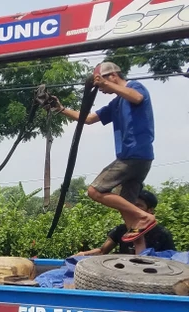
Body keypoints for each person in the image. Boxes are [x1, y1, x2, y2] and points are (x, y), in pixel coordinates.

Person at [53, 61, 156, 243]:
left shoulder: (135, 87)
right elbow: (89, 118)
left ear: (113, 76)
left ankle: (145, 216)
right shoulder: (116, 103)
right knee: (128, 214)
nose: (101, 89)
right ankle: (140, 250)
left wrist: (106, 84)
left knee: (95, 191)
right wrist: (61, 109)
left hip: (132, 155)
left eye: (101, 83)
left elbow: (137, 98)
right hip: (142, 159)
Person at [76, 191, 175, 256]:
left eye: (138, 206)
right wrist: (83, 254)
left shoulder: (162, 234)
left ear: (150, 210)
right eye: (131, 205)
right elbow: (102, 251)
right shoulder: (121, 230)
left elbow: (172, 261)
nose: (133, 209)